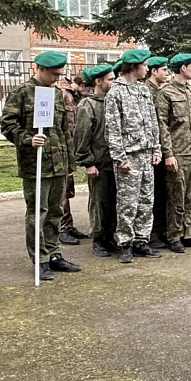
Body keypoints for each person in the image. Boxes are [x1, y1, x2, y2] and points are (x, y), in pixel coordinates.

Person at [0, 51, 81, 281]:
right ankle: (40, 258)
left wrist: (70, 162)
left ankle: (54, 253)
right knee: (38, 212)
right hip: (36, 163)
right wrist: (27, 139)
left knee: (55, 211)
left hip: (58, 163)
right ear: (40, 69)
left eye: (60, 74)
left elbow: (64, 130)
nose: (57, 78)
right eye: (54, 74)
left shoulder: (56, 94)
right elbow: (8, 124)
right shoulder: (21, 92)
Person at [105, 50, 163, 264]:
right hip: (129, 156)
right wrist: (120, 158)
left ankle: (141, 240)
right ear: (133, 67)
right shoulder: (116, 92)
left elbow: (153, 122)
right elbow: (112, 128)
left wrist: (156, 149)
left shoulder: (143, 89)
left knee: (146, 201)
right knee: (127, 203)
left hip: (146, 154)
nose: (147, 69)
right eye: (145, 65)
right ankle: (125, 243)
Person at [156, 53, 191, 253]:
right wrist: (168, 153)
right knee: (176, 197)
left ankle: (189, 233)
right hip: (177, 153)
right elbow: (162, 125)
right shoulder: (166, 92)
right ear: (183, 68)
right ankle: (174, 235)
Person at [73, 63, 119, 258]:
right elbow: (82, 135)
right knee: (99, 203)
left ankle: (110, 237)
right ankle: (98, 239)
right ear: (98, 82)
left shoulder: (113, 101)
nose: (114, 82)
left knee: (114, 202)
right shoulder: (88, 105)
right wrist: (88, 162)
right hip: (98, 163)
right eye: (110, 79)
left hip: (114, 161)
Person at [56, 76, 88, 245]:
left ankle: (68, 225)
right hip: (60, 149)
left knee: (67, 188)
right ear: (82, 84)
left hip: (70, 148)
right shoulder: (62, 94)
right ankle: (62, 228)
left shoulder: (75, 96)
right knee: (61, 190)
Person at [144, 57, 171, 249]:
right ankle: (152, 233)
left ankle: (161, 230)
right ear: (153, 71)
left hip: (161, 148)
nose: (166, 74)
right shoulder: (146, 91)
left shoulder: (161, 91)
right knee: (152, 195)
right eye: (164, 70)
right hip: (151, 150)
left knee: (162, 193)